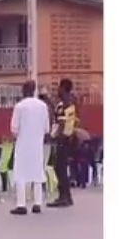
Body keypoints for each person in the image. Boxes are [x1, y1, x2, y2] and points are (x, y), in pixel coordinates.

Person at [9, 80, 50, 216]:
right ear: (34, 90)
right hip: (37, 145)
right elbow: (46, 128)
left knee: (21, 173)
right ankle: (37, 203)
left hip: (23, 145)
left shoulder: (20, 106)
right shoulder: (43, 106)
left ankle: (21, 204)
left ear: (23, 90)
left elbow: (14, 129)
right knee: (37, 172)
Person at [49, 78, 78, 207]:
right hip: (68, 138)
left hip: (62, 139)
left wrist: (55, 137)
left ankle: (64, 196)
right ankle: (67, 196)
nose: (57, 90)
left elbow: (61, 123)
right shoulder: (69, 103)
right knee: (61, 167)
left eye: (59, 87)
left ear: (63, 88)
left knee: (59, 167)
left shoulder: (64, 105)